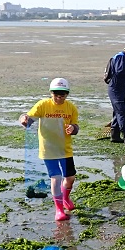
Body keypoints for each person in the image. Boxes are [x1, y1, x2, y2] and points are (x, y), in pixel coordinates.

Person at [19, 78, 80, 222]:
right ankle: (59, 209)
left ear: (67, 94)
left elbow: (76, 126)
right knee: (56, 178)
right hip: (48, 149)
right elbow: (27, 118)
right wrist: (23, 119)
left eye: (62, 94)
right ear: (51, 93)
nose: (59, 97)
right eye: (56, 94)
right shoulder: (43, 105)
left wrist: (73, 128)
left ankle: (65, 198)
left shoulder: (71, 108)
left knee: (70, 178)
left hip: (65, 149)